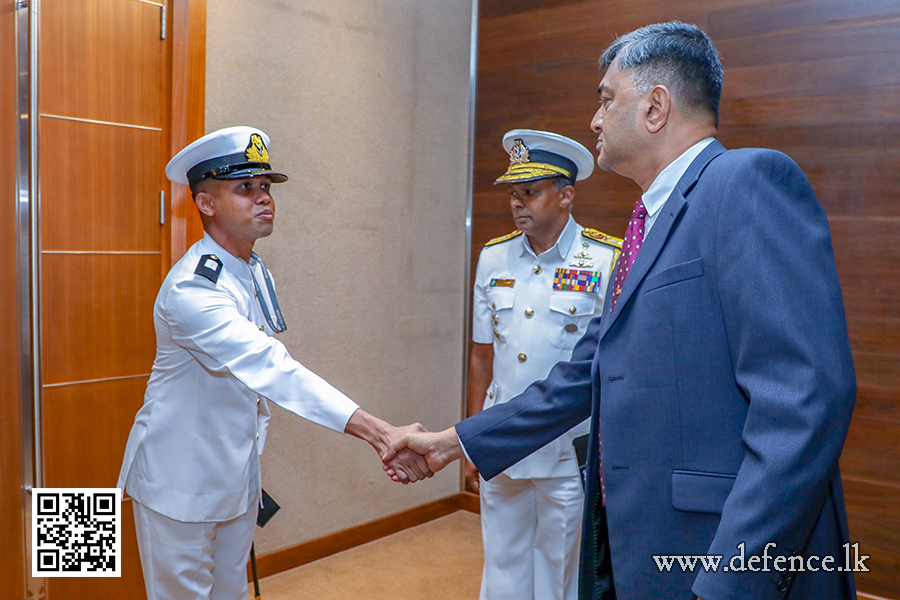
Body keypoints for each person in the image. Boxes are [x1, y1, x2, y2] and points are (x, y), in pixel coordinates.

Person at [385, 22, 857, 600]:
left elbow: (804, 403)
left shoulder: (745, 182)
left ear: (655, 106)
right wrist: (452, 441)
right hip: (640, 539)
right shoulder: (648, 222)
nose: (594, 119)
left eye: (606, 98)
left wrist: (732, 580)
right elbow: (584, 374)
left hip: (714, 554)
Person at [118, 126, 431, 600]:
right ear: (205, 203)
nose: (264, 198)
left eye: (265, 187)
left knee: (232, 594)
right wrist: (379, 431)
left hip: (236, 474)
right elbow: (273, 367)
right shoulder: (193, 289)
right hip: (180, 482)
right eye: (245, 188)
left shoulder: (247, 268)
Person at [467, 129, 621, 600]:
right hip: (502, 442)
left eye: (530, 192)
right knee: (503, 568)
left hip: (567, 448)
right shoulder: (493, 257)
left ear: (567, 195)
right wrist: (475, 436)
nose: (518, 204)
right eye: (514, 194)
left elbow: (611, 366)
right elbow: (482, 354)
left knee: (561, 574)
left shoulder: (604, 259)